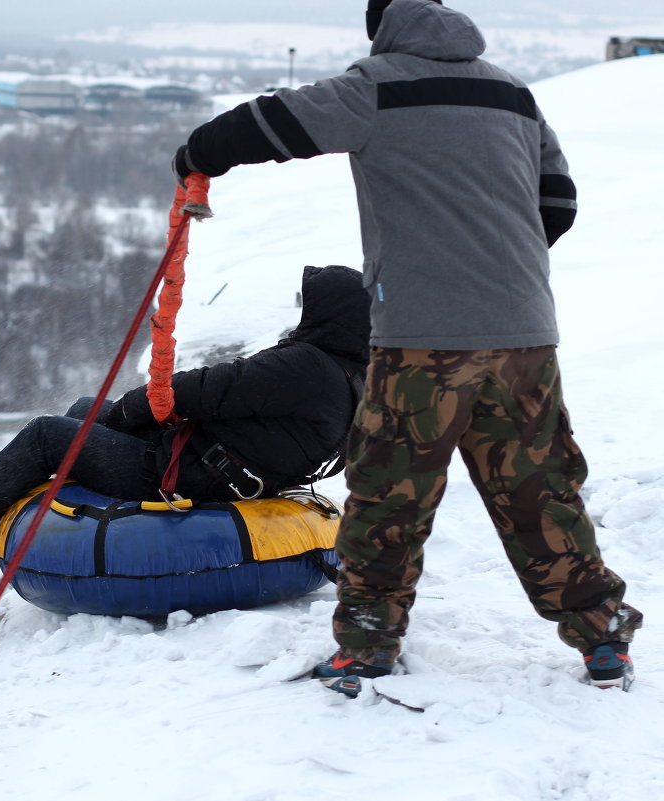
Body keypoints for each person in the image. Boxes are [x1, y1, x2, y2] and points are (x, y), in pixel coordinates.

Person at [171, 0, 642, 693]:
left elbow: (271, 123)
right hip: (522, 335)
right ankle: (601, 634)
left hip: (419, 339)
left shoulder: (376, 85)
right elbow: (560, 202)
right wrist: (495, 270)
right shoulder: (510, 92)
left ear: (381, 27)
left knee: (391, 491)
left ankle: (365, 644)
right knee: (540, 486)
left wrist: (195, 153)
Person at [0, 264, 371, 591]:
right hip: (216, 465)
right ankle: (48, 513)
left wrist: (128, 411)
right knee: (84, 408)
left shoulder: (306, 366)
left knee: (49, 434)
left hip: (185, 474)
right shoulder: (351, 378)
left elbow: (201, 389)